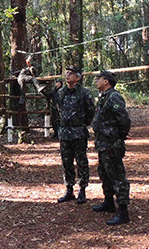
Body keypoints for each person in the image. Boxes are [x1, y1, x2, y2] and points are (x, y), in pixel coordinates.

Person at [92, 70, 131, 225]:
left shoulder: (114, 96)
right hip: (102, 143)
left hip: (111, 143)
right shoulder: (104, 97)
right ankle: (109, 202)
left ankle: (123, 211)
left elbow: (124, 119)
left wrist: (119, 136)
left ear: (106, 81)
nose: (96, 81)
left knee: (117, 176)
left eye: (98, 78)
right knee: (105, 173)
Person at [52, 66, 95, 204]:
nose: (68, 75)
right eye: (67, 73)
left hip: (78, 133)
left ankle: (82, 190)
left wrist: (81, 124)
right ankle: (69, 189)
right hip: (65, 133)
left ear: (78, 77)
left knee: (81, 162)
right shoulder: (61, 93)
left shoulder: (84, 93)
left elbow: (90, 112)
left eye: (71, 74)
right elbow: (57, 107)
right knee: (66, 162)